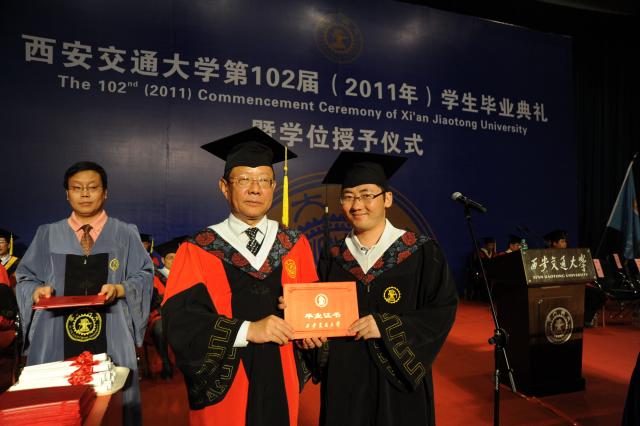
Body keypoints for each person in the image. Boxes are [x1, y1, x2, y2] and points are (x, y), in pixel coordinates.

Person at [161, 127, 318, 426]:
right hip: (227, 385)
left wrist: (314, 333)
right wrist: (247, 331)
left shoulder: (295, 245)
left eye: (264, 180)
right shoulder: (198, 249)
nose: (255, 189)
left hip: (281, 374)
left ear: (274, 187)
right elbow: (180, 323)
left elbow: (313, 309)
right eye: (244, 179)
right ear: (224, 187)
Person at [313, 151, 458, 426]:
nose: (357, 205)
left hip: (398, 382)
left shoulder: (420, 251)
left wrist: (386, 326)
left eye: (367, 195)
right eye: (348, 196)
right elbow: (318, 314)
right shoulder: (333, 257)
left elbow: (442, 310)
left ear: (387, 198)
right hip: (345, 382)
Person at [15, 161, 153, 425]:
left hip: (112, 329)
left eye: (93, 187)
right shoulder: (47, 233)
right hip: (54, 332)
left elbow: (145, 275)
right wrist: (36, 291)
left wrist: (120, 289)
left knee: (113, 406)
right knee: (55, 405)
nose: (85, 194)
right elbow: (25, 278)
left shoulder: (125, 233)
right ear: (67, 193)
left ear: (105, 192)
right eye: (77, 188)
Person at [543, 229, 606, 327]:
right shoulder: (545, 256)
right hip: (558, 286)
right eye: (562, 241)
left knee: (599, 294)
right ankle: (583, 319)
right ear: (554, 243)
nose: (565, 244)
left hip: (572, 284)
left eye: (565, 241)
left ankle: (585, 319)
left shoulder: (568, 255)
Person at [148, 236, 186, 379]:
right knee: (160, 329)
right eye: (170, 258)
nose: (174, 261)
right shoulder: (155, 277)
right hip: (161, 315)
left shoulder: (186, 274)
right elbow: (151, 302)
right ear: (163, 260)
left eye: (177, 257)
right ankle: (166, 362)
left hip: (183, 313)